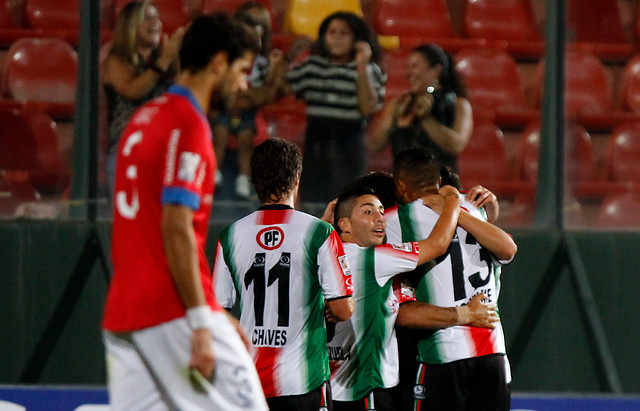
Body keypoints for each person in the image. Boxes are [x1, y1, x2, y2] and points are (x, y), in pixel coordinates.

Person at [102, 13, 268, 410]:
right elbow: (176, 229)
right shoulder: (188, 126)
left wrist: (212, 311)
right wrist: (200, 319)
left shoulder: (143, 117)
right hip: (170, 309)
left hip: (124, 314)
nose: (243, 85)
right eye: (242, 70)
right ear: (219, 63)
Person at [213, 138, 355, 410]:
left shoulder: (229, 236)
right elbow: (343, 309)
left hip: (250, 383)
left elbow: (218, 312)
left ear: (254, 182)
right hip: (303, 381)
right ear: (297, 178)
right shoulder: (320, 233)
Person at [328, 185, 499, 411]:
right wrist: (452, 202)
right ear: (344, 224)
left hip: (329, 388)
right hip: (365, 390)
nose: (380, 219)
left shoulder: (324, 256)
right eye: (368, 212)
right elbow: (437, 244)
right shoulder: (373, 259)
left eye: (381, 211)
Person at [384, 148, 518, 411]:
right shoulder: (472, 209)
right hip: (493, 352)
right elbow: (508, 249)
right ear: (438, 182)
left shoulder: (394, 219)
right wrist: (461, 206)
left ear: (400, 184)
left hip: (443, 353)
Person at [277, 11, 387, 203]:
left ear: (356, 39)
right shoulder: (312, 66)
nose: (336, 38)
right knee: (314, 208)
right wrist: (288, 58)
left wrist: (362, 65)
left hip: (350, 150)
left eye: (343, 33)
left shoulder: (369, 70)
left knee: (349, 206)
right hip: (316, 149)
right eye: (332, 32)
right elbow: (279, 90)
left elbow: (368, 107)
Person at [102, 0, 184, 200]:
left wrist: (175, 57)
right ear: (130, 26)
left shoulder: (162, 58)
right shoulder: (117, 60)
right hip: (130, 155)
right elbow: (133, 90)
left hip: (165, 155)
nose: (155, 22)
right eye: (147, 18)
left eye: (156, 17)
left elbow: (184, 91)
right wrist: (164, 60)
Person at [211, 1, 282, 199]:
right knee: (220, 133)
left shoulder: (264, 61)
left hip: (251, 134)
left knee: (245, 139)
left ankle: (245, 180)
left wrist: (242, 99)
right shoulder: (221, 59)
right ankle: (214, 175)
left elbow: (267, 92)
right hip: (221, 127)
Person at [368, 43, 473, 172]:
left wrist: (426, 118)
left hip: (440, 184)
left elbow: (455, 145)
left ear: (436, 70)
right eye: (408, 67)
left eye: (414, 66)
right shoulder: (399, 103)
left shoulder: (459, 104)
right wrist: (392, 119)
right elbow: (375, 144)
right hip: (402, 184)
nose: (409, 73)